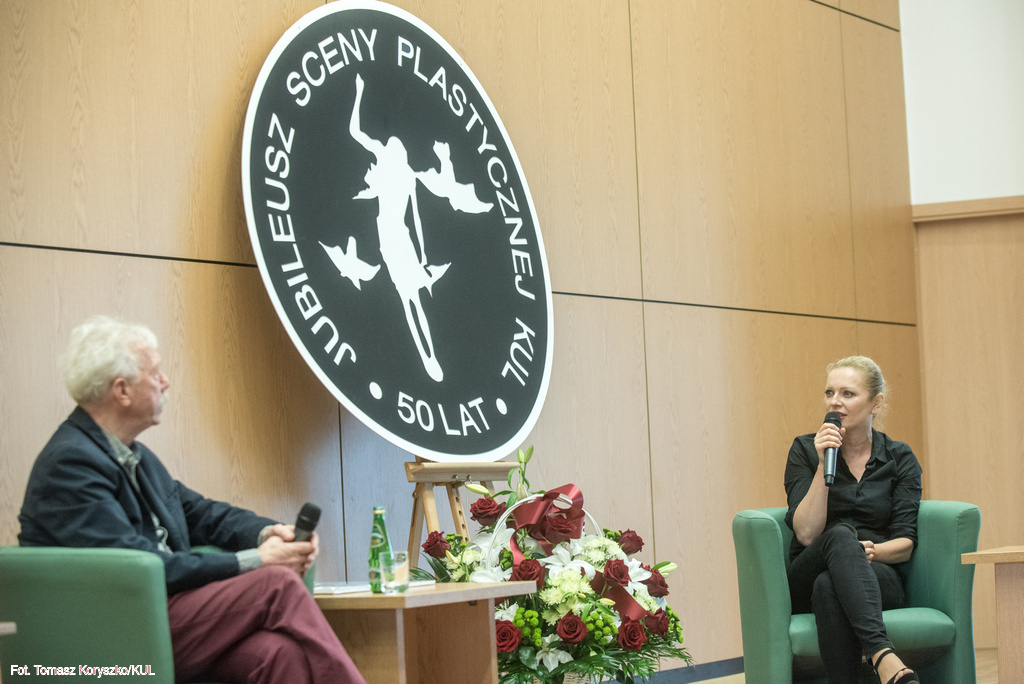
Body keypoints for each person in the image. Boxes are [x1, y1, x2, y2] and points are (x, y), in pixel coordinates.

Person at [18, 316, 366, 684]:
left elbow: (201, 514)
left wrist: (268, 533)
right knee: (277, 584)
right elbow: (136, 565)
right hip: (109, 632)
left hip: (159, 614)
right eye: (155, 373)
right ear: (122, 391)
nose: (166, 382)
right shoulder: (70, 464)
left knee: (276, 653)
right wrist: (259, 561)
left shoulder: (135, 456)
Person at [784, 356, 922, 684]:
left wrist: (870, 552)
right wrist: (823, 464)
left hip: (876, 571)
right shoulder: (805, 449)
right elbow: (806, 534)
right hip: (809, 568)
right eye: (830, 392)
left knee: (829, 585)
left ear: (876, 403)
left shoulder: (899, 457)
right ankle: (883, 655)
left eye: (848, 393)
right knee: (840, 536)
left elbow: (905, 543)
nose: (835, 401)